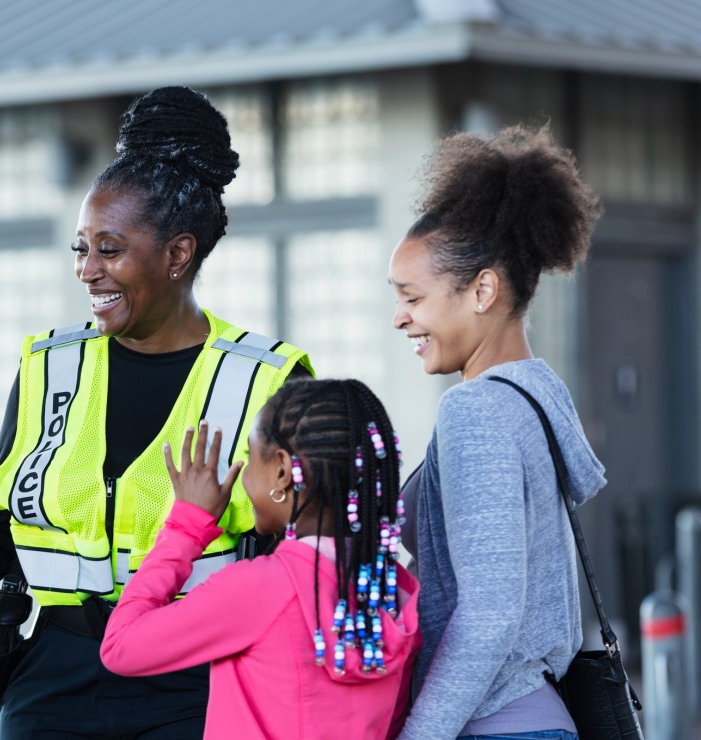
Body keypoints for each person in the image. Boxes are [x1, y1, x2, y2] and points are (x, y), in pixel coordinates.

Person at [0, 86, 314, 738]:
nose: (87, 270)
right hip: (51, 678)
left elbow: (306, 550)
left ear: (177, 253)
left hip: (197, 680)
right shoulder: (49, 365)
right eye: (80, 248)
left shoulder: (267, 379)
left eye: (108, 249)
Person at [389, 125, 605, 740]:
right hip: (537, 715)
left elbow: (489, 613)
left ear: (483, 289)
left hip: (495, 724)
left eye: (413, 297)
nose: (400, 317)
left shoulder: (477, 411)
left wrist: (420, 734)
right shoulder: (536, 396)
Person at [101, 381, 421, 739]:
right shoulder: (395, 590)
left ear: (283, 472)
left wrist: (186, 526)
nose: (244, 479)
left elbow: (121, 647)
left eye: (250, 458)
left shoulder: (259, 588)